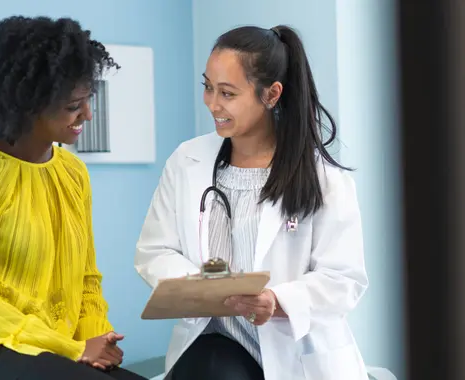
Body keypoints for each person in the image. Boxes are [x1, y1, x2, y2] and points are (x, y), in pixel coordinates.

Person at [134, 25, 369, 380]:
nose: (213, 104)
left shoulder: (324, 180)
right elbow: (155, 249)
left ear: (271, 94)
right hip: (211, 349)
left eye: (227, 93)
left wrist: (277, 301)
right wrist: (199, 286)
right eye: (208, 87)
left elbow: (343, 280)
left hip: (295, 355)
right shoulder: (187, 161)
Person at [0, 15, 146, 380]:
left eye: (87, 100)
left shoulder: (73, 173)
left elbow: (87, 281)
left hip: (52, 355)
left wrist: (96, 340)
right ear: (27, 104)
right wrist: (73, 349)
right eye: (74, 105)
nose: (87, 114)